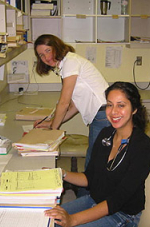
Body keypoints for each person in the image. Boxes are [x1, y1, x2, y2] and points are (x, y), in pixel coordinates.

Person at [45, 81, 150, 227]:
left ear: (134, 109)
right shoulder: (106, 135)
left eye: (121, 105)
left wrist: (73, 220)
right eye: (110, 105)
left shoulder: (142, 147)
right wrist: (60, 173)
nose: (113, 111)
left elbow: (117, 200)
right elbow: (89, 178)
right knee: (47, 220)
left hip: (121, 214)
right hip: (95, 200)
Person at [33, 34, 110, 168]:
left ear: (56, 47)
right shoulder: (67, 65)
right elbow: (73, 106)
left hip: (103, 115)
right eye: (41, 55)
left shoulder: (71, 62)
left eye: (48, 50)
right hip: (101, 115)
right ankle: (90, 187)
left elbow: (64, 103)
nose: (46, 57)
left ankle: (87, 189)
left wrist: (53, 132)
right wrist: (51, 124)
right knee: (95, 159)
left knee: (94, 161)